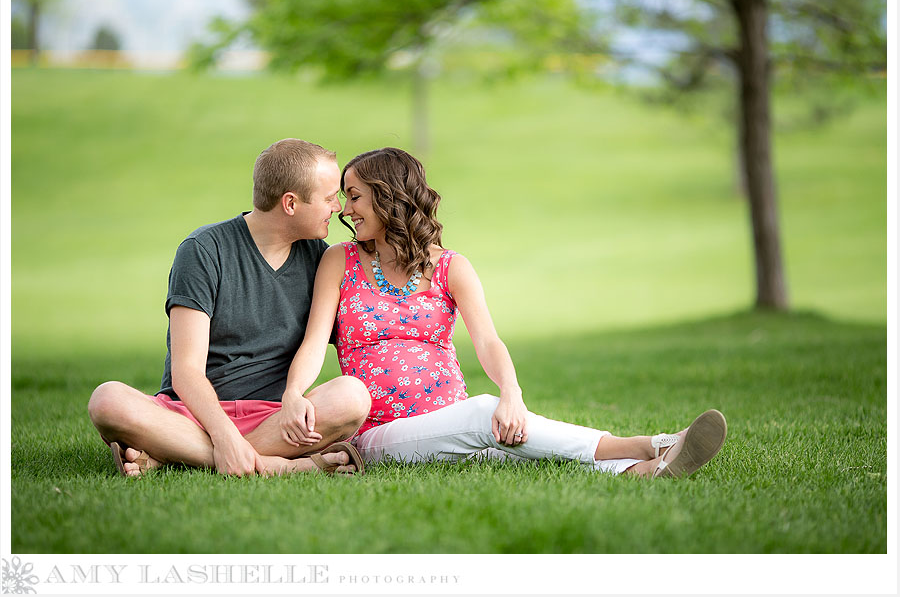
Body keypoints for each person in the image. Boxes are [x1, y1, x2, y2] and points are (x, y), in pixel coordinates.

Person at [281, 147, 727, 478]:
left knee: (510, 441)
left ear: (388, 196)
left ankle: (639, 474)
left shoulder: (451, 266)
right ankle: (652, 445)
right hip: (380, 432)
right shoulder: (339, 261)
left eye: (355, 196)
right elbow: (315, 341)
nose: (346, 209)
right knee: (483, 417)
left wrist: (511, 392)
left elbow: (489, 342)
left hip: (447, 415)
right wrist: (295, 394)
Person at [87, 139, 370, 478]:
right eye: (328, 199)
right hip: (191, 412)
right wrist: (223, 435)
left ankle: (173, 454)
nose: (338, 208)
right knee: (107, 401)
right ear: (290, 203)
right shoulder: (203, 250)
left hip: (275, 416)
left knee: (351, 396)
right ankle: (273, 465)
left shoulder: (321, 259)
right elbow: (186, 372)